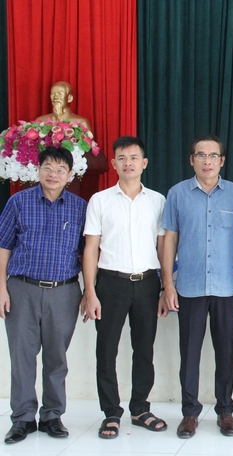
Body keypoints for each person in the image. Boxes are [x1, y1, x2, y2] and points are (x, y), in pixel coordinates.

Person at [161, 135, 233, 439]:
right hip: (188, 286)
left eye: (213, 156)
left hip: (227, 287)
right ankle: (189, 413)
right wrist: (167, 285)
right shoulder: (176, 194)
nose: (207, 161)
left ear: (222, 161)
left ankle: (225, 411)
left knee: (225, 351)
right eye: (201, 155)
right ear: (191, 160)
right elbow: (169, 238)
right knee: (190, 353)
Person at [81, 136, 167, 439]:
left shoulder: (158, 201)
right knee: (106, 350)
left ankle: (140, 408)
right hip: (110, 284)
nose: (127, 162)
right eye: (122, 157)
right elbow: (91, 248)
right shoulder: (100, 200)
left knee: (144, 349)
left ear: (144, 163)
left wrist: (164, 288)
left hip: (146, 283)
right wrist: (89, 291)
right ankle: (111, 413)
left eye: (134, 157)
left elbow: (163, 247)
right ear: (114, 164)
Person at [0, 147, 87, 444]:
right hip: (21, 288)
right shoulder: (18, 202)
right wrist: (1, 287)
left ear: (70, 175)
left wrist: (89, 291)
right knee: (21, 356)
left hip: (63, 292)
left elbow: (87, 253)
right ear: (38, 169)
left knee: (56, 358)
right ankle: (23, 418)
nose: (54, 174)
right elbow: (3, 246)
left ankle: (52, 415)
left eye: (61, 169)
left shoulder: (80, 207)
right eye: (48, 167)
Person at [35, 81, 107, 201]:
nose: (56, 96)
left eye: (60, 93)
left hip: (74, 184)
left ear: (69, 98)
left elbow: (89, 152)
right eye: (53, 93)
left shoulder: (80, 122)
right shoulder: (40, 121)